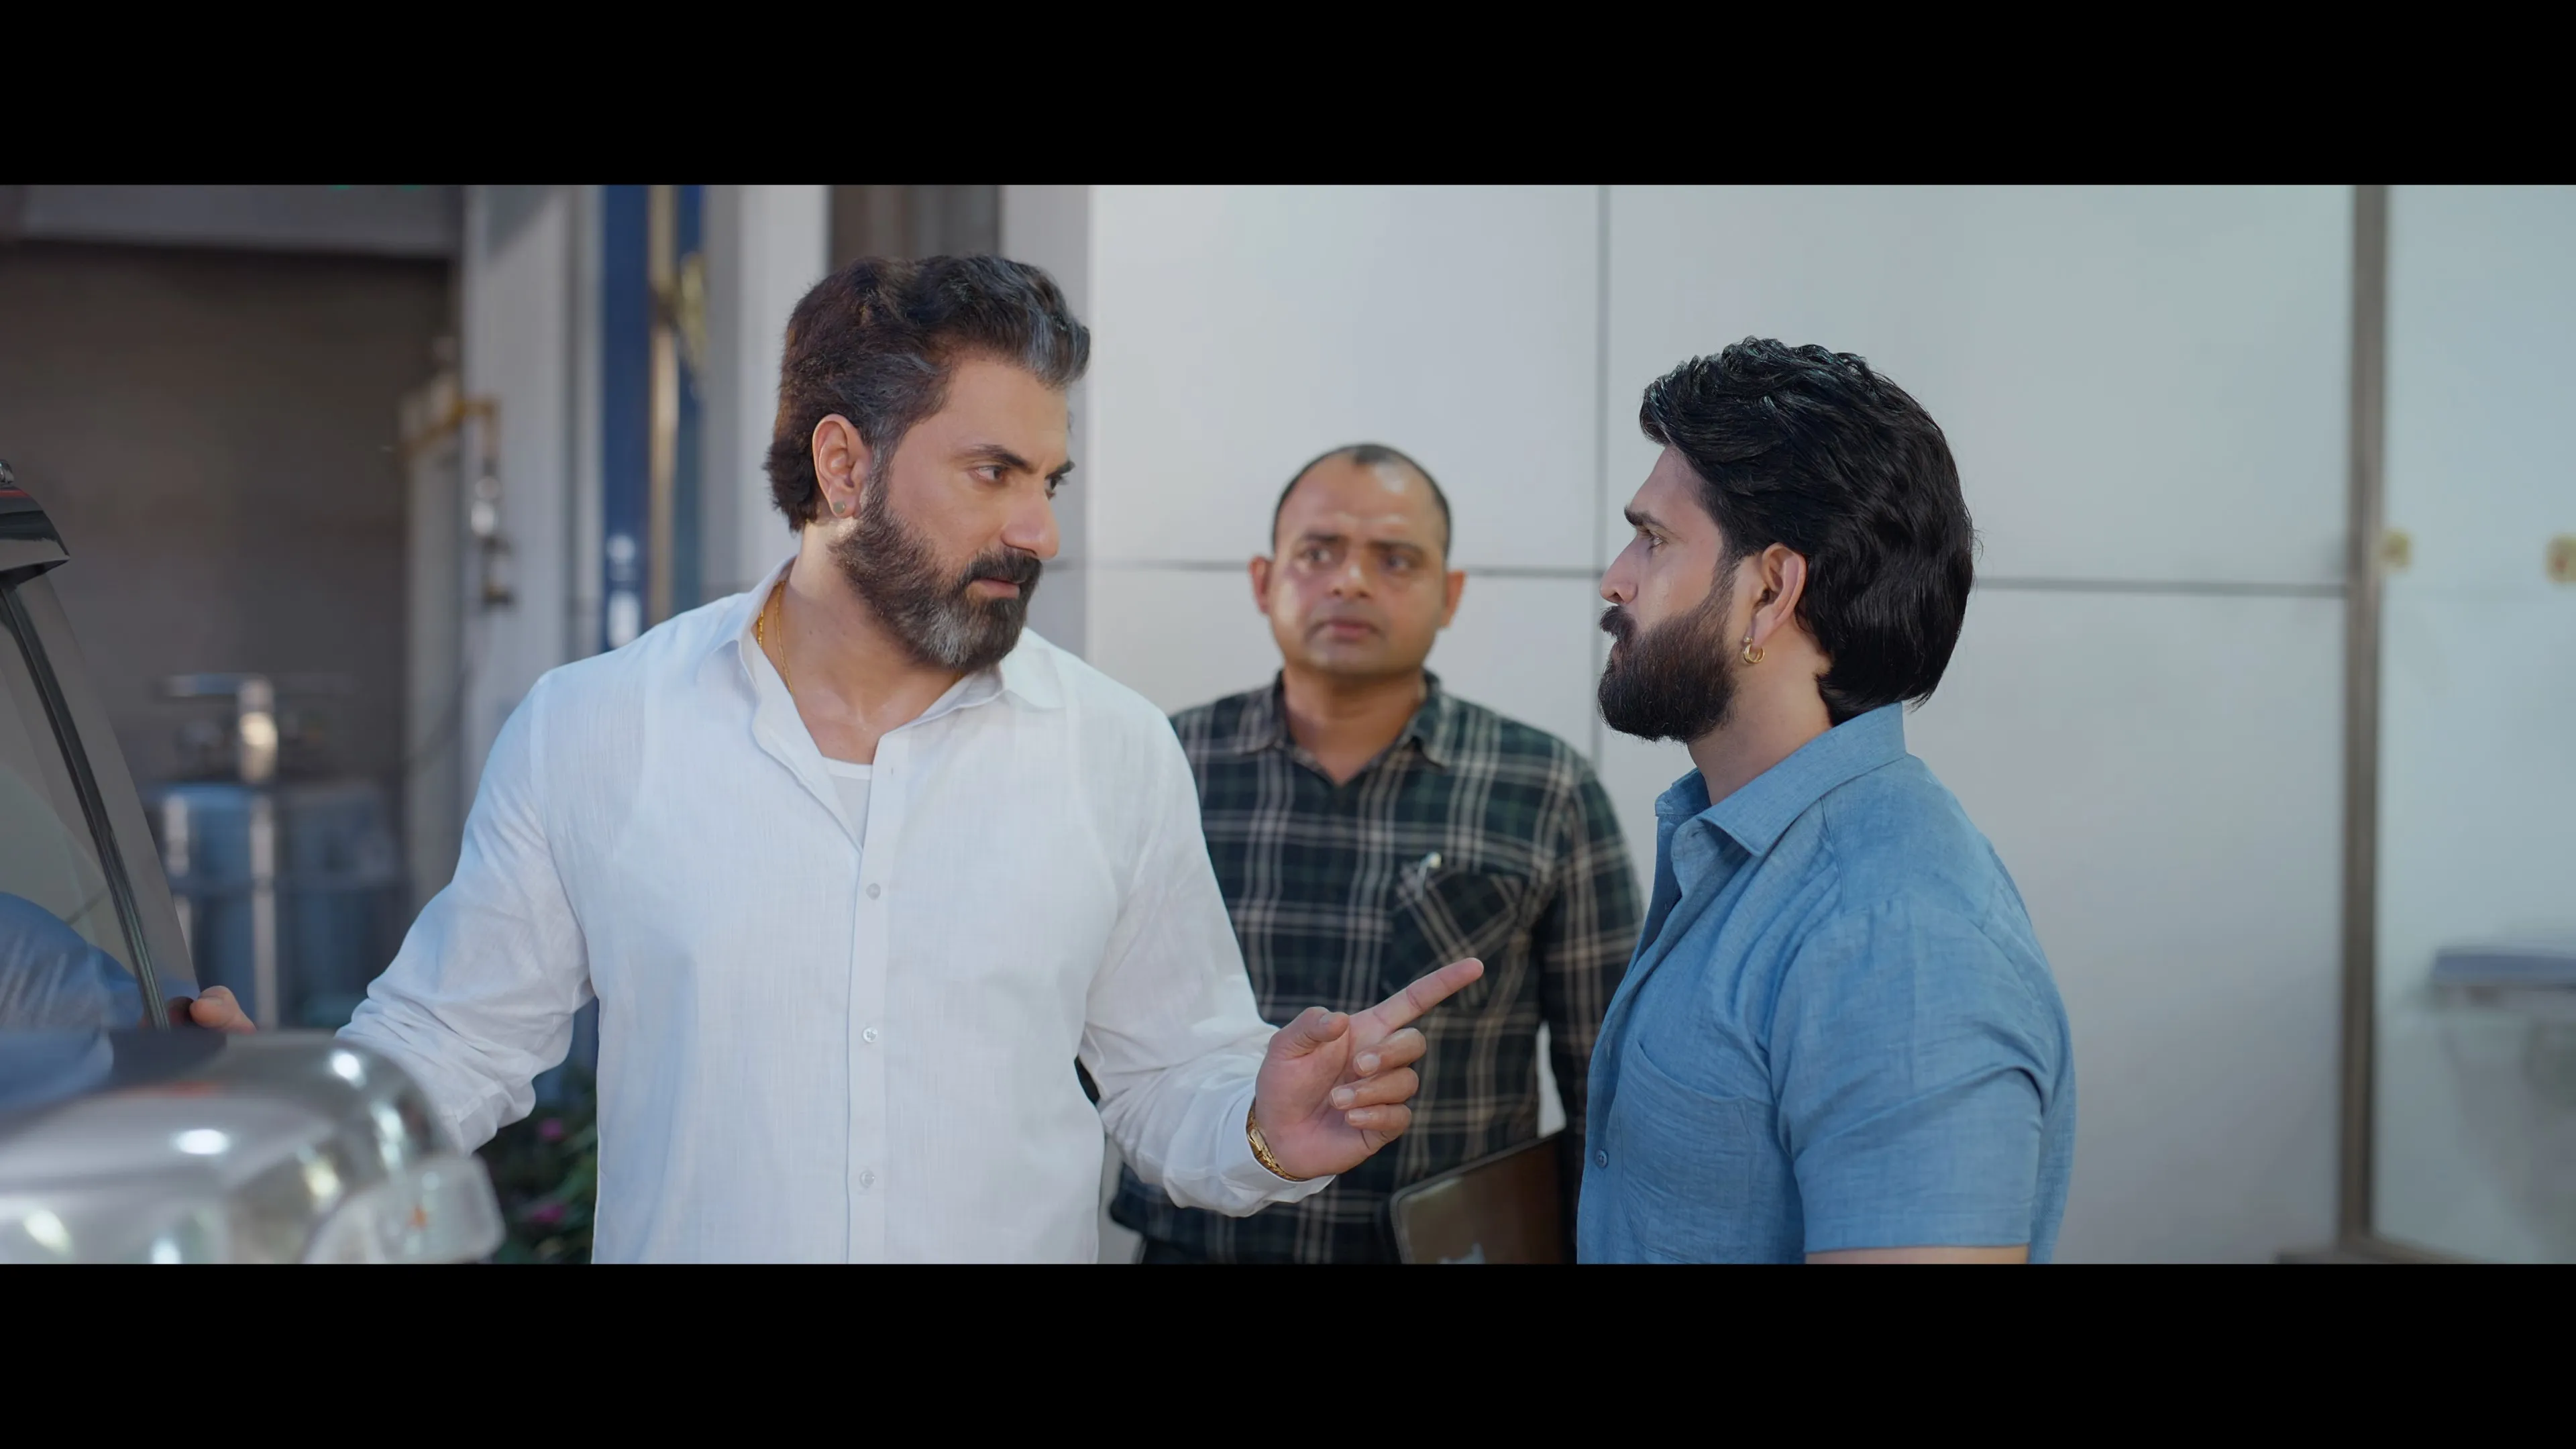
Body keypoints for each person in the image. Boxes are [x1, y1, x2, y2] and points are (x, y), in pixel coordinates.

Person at [189, 256, 1479, 1263]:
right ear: (845, 466)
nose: (1039, 530)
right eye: (993, 473)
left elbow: (1167, 1076)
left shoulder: (1115, 750)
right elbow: (457, 1039)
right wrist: (290, 1123)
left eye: (1050, 479)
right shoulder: (598, 727)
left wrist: (1261, 1123)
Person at [1580, 338, 2075, 1263]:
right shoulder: (1746, 856)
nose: (1616, 577)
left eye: (1654, 539)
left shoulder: (1897, 941)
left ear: (1771, 590)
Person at [1110, 444, 1640, 1263]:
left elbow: (1608, 1084)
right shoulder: (1162, 765)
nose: (1351, 581)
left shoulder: (1545, 788)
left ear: (1449, 594)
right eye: (1318, 553)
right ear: (1263, 580)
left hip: (1443, 1248)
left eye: (1395, 559)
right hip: (1201, 1242)